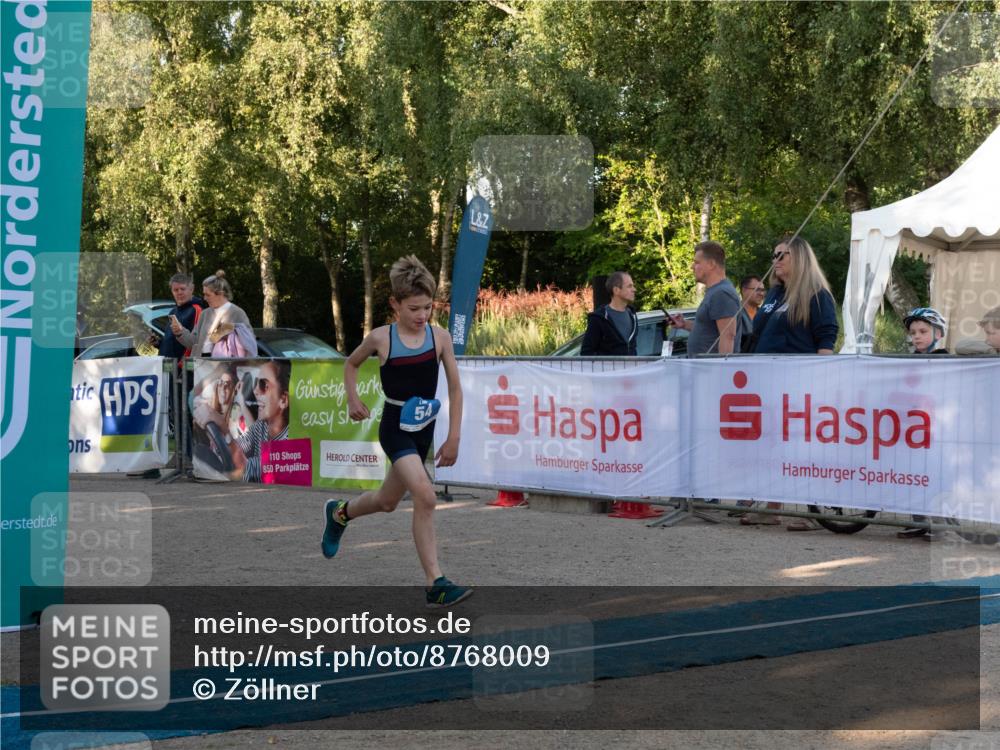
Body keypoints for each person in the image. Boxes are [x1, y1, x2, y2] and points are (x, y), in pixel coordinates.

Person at [320, 255, 470, 609]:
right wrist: (352, 399)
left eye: (428, 308)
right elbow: (351, 364)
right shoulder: (380, 338)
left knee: (388, 502)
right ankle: (436, 582)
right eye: (414, 308)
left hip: (425, 429)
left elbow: (456, 390)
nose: (422, 316)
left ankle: (339, 513)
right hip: (394, 426)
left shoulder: (441, 338)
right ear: (395, 305)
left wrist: (454, 436)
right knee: (426, 495)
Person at [741, 235, 838, 530]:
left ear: (799, 258)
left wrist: (822, 380)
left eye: (782, 255)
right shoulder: (772, 295)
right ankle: (771, 507)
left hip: (799, 383)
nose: (775, 261)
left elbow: (826, 338)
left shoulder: (817, 295)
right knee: (771, 444)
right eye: (774, 255)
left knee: (801, 446)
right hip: (767, 382)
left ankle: (810, 511)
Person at [668, 241, 741, 356]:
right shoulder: (715, 291)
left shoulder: (722, 293)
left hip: (711, 371)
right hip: (703, 369)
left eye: (696, 262)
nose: (692, 267)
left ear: (711, 264)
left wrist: (722, 370)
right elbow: (710, 330)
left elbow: (728, 336)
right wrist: (684, 324)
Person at [171, 270, 257, 359]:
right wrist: (180, 332)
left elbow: (250, 343)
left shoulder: (237, 313)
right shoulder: (204, 314)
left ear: (220, 293)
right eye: (204, 295)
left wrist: (226, 332)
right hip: (201, 365)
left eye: (208, 295)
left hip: (225, 366)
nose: (204, 298)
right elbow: (193, 343)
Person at [231, 359, 291, 483]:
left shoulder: (292, 437)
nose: (255, 391)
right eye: (256, 384)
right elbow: (242, 445)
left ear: (283, 400)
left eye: (264, 385)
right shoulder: (261, 425)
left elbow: (256, 467)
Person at [580, 272, 639, 356]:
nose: (634, 289)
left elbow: (632, 349)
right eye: (629, 286)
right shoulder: (599, 318)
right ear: (616, 290)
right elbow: (586, 353)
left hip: (631, 369)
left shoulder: (632, 315)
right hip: (609, 369)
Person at [156, 273, 204, 360]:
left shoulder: (197, 310)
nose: (179, 292)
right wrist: (159, 343)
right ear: (172, 291)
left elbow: (196, 343)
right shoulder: (173, 311)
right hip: (167, 366)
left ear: (191, 289)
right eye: (176, 290)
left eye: (182, 289)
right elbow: (172, 342)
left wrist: (182, 366)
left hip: (183, 369)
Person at [737, 275, 765, 353]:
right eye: (757, 290)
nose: (761, 293)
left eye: (763, 290)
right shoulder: (735, 314)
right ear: (744, 290)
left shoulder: (764, 314)